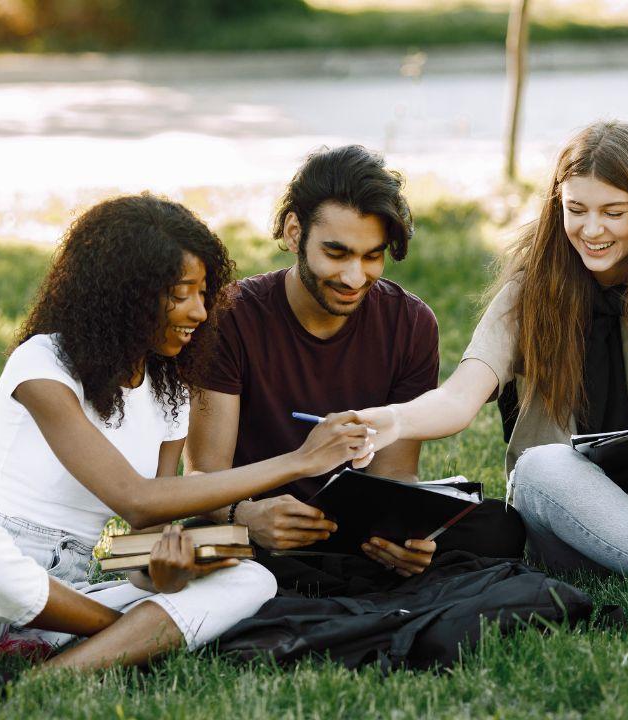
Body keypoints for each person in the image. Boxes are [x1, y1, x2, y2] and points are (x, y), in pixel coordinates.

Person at [0, 194, 373, 702]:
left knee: (251, 580)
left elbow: (143, 541)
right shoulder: (41, 365)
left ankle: (34, 678)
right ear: (127, 294)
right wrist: (299, 461)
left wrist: (164, 571)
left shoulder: (167, 393)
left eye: (204, 292)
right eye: (182, 294)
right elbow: (134, 497)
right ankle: (118, 639)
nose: (200, 311)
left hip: (69, 594)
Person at [353, 121, 628, 642]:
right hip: (560, 515)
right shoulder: (531, 292)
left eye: (613, 213)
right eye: (576, 210)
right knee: (540, 463)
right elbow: (459, 399)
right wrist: (387, 421)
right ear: (557, 206)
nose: (592, 230)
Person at [185, 145, 524, 596]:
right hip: (257, 526)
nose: (354, 277)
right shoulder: (231, 316)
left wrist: (405, 537)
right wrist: (245, 516)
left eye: (371, 256)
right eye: (336, 253)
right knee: (194, 545)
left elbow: (395, 475)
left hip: (349, 533)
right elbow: (203, 479)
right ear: (293, 231)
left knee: (499, 530)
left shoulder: (410, 323)